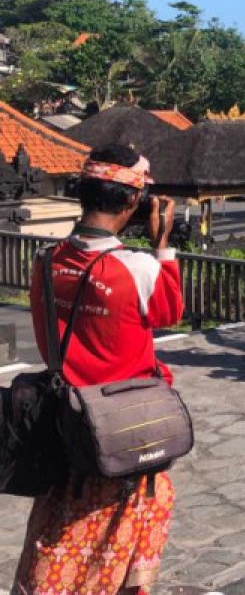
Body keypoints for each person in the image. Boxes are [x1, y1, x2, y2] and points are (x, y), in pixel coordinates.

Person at [18, 144, 183, 595]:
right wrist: (162, 245)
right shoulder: (136, 266)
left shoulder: (46, 262)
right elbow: (170, 311)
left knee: (62, 532)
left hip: (66, 424)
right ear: (132, 202)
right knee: (125, 533)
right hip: (125, 429)